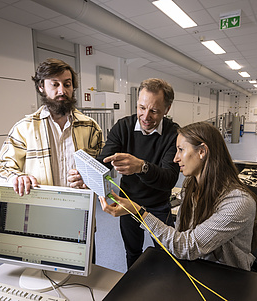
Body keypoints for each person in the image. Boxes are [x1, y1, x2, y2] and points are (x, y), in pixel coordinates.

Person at [99, 122, 257, 270]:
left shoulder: (239, 202)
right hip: (195, 267)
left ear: (202, 151)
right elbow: (181, 234)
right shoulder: (191, 185)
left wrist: (138, 212)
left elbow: (187, 247)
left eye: (181, 150)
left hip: (228, 279)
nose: (175, 158)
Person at [70, 78, 180, 268]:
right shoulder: (123, 127)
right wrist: (87, 175)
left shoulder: (173, 134)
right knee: (133, 253)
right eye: (142, 108)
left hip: (159, 206)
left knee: (167, 256)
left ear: (167, 109)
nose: (146, 116)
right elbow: (103, 162)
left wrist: (142, 167)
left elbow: (169, 178)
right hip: (128, 203)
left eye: (154, 111)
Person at [0, 58, 104, 195]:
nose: (62, 91)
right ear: (41, 87)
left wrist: (89, 178)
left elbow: (103, 168)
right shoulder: (24, 129)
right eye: (55, 84)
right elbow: (2, 168)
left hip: (81, 206)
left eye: (67, 84)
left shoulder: (90, 127)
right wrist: (17, 178)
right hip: (41, 207)